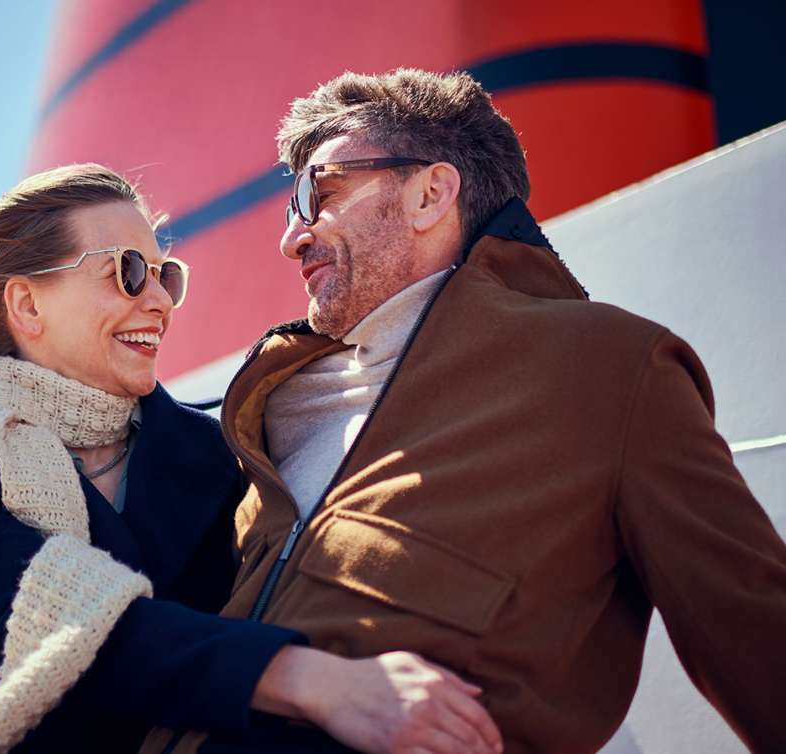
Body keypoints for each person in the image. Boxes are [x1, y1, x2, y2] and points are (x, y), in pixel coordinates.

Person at [144, 69, 786, 754]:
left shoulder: (608, 366)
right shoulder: (264, 413)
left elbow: (752, 628)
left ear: (430, 194)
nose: (291, 238)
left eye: (317, 193)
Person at [0, 164, 503, 754]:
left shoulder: (219, 449)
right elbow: (38, 617)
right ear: (27, 304)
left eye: (165, 275)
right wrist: (311, 680)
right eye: (129, 271)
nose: (159, 301)